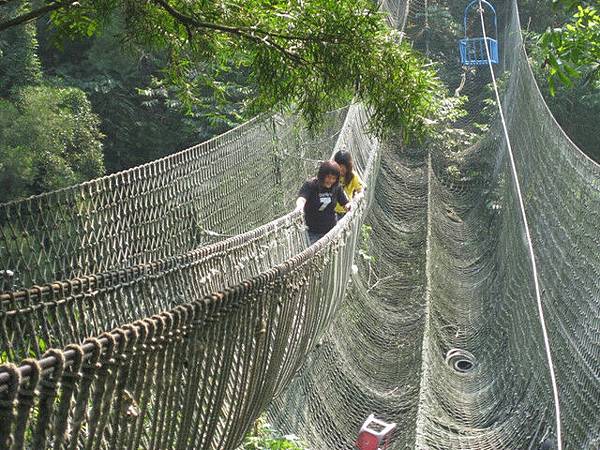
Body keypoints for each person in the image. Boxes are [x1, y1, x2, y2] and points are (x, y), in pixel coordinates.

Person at [295, 160, 350, 245]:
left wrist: (350, 206)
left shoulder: (336, 188)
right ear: (322, 175)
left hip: (331, 232)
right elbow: (302, 198)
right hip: (311, 232)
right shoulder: (311, 185)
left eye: (333, 178)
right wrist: (299, 207)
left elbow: (345, 203)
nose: (330, 181)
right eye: (328, 177)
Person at [333, 150, 364, 220]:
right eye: (338, 166)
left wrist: (354, 201)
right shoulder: (333, 173)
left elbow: (360, 191)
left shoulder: (353, 176)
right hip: (331, 210)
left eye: (342, 167)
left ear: (348, 166)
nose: (340, 169)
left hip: (345, 211)